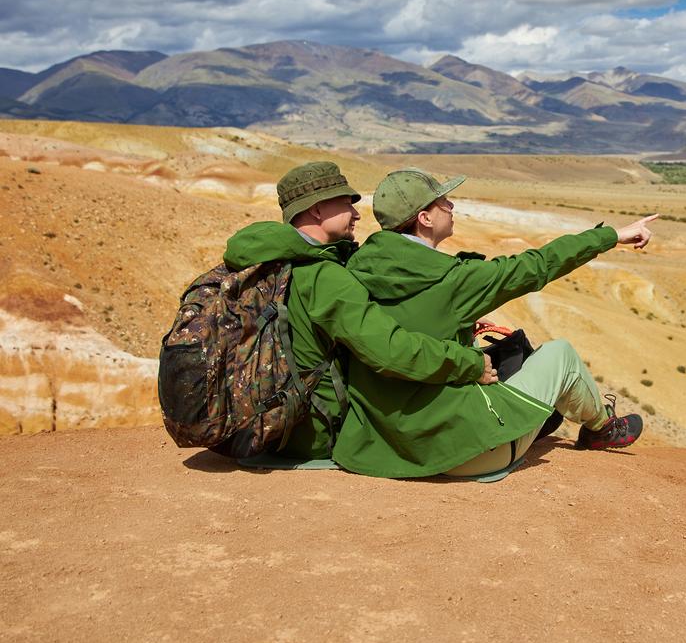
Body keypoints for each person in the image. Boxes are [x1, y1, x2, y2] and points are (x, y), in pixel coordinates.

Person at [333, 167, 656, 479]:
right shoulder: (456, 280)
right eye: (442, 201)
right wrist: (611, 235)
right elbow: (537, 266)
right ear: (425, 218)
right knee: (561, 354)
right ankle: (601, 428)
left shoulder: (353, 270)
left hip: (381, 448)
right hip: (464, 454)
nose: (451, 205)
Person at [221, 161, 496, 460]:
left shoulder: (265, 261)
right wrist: (468, 364)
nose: (356, 213)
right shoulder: (322, 275)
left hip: (259, 422)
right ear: (317, 209)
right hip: (312, 433)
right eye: (345, 204)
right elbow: (391, 352)